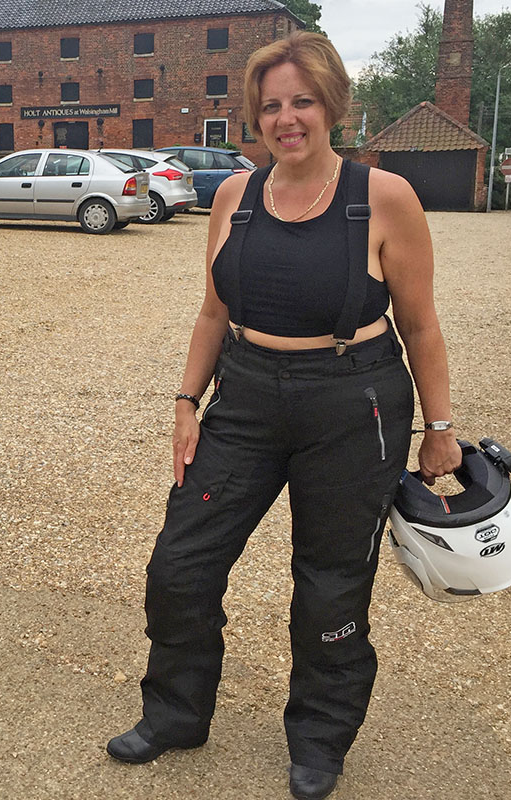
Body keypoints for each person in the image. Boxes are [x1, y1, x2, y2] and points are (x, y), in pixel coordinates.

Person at [105, 31, 463, 800]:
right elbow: (213, 312)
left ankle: (320, 740)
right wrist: (185, 402)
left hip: (352, 401)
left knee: (331, 586)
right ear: (255, 116)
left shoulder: (383, 197)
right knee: (180, 565)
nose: (286, 119)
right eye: (271, 106)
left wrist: (440, 432)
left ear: (331, 106)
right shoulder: (234, 196)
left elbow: (421, 325)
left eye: (302, 101)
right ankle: (176, 714)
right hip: (245, 395)